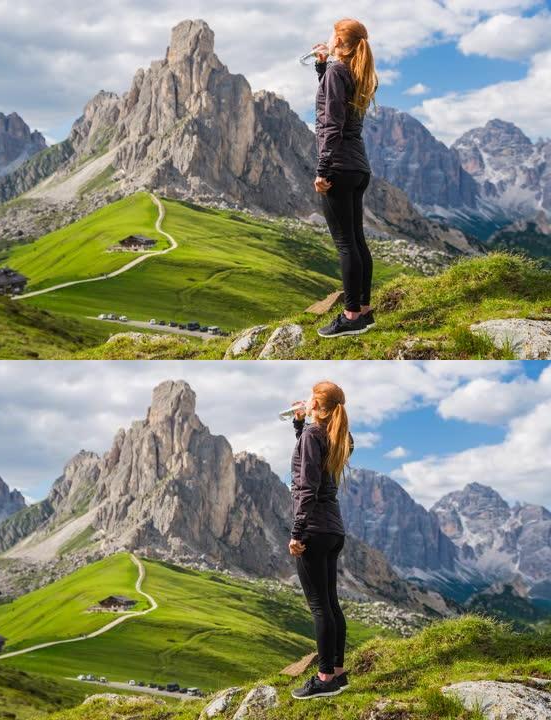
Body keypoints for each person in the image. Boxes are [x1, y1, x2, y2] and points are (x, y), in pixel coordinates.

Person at [312, 19, 378, 339]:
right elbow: (336, 97)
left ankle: (351, 316)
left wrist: (323, 170)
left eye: (332, 34)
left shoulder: (340, 72)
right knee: (356, 240)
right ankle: (364, 311)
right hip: (359, 167)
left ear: (339, 40)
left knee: (344, 244)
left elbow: (332, 123)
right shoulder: (358, 73)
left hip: (338, 166)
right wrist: (323, 67)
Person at [288, 381, 353, 700]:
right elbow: (312, 458)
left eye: (312, 399)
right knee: (330, 602)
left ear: (318, 405)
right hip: (334, 529)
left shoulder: (316, 435)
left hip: (313, 528)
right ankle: (338, 673)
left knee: (318, 606)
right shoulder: (337, 436)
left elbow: (306, 486)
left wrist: (297, 532)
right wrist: (301, 425)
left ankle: (325, 677)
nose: (308, 402)